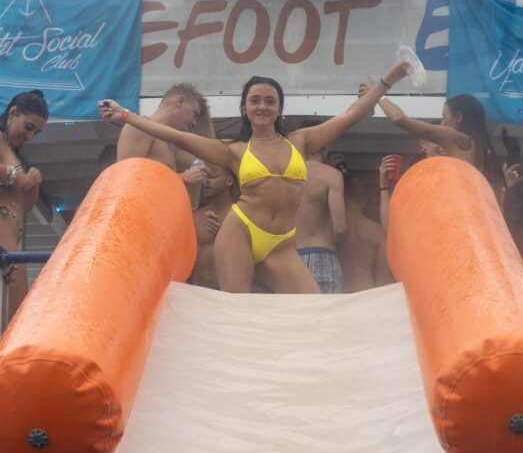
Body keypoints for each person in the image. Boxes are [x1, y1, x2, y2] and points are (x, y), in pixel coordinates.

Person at [99, 62, 410, 294]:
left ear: (279, 110)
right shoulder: (234, 151)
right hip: (241, 233)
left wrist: (388, 80)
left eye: (270, 101)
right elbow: (176, 137)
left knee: (314, 309)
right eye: (255, 100)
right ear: (245, 109)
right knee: (239, 315)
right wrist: (126, 115)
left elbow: (349, 117)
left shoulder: (300, 142)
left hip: (282, 243)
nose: (263, 106)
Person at [378, 93, 507, 200]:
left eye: (444, 117)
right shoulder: (488, 155)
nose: (442, 123)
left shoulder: (458, 139)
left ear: (459, 118)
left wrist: (378, 95)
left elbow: (399, 119)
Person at [117, 83, 211, 202]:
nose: (194, 123)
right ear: (180, 102)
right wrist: (183, 178)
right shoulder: (139, 127)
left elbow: (208, 162)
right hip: (141, 215)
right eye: (194, 114)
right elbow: (127, 181)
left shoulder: (170, 145)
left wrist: (207, 123)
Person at [0, 90, 48, 318]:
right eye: (29, 127)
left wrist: (33, 183)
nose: (30, 136)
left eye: (36, 132)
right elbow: (14, 181)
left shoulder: (15, 156)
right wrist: (12, 176)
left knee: (14, 324)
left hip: (11, 249)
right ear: (13, 113)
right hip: (4, 249)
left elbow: (25, 207)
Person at [295, 121, 347, 293]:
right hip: (323, 255)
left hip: (291, 260)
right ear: (325, 146)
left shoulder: (286, 176)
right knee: (325, 318)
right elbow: (340, 228)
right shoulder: (331, 175)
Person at [338, 175, 392, 292]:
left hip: (338, 289)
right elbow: (383, 279)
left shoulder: (334, 228)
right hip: (365, 289)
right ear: (365, 199)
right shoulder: (377, 231)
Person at [190, 165, 237, 289]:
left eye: (212, 177)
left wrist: (223, 236)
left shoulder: (240, 216)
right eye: (205, 177)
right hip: (196, 291)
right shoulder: (195, 216)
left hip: (226, 293)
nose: (206, 181)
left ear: (229, 181)